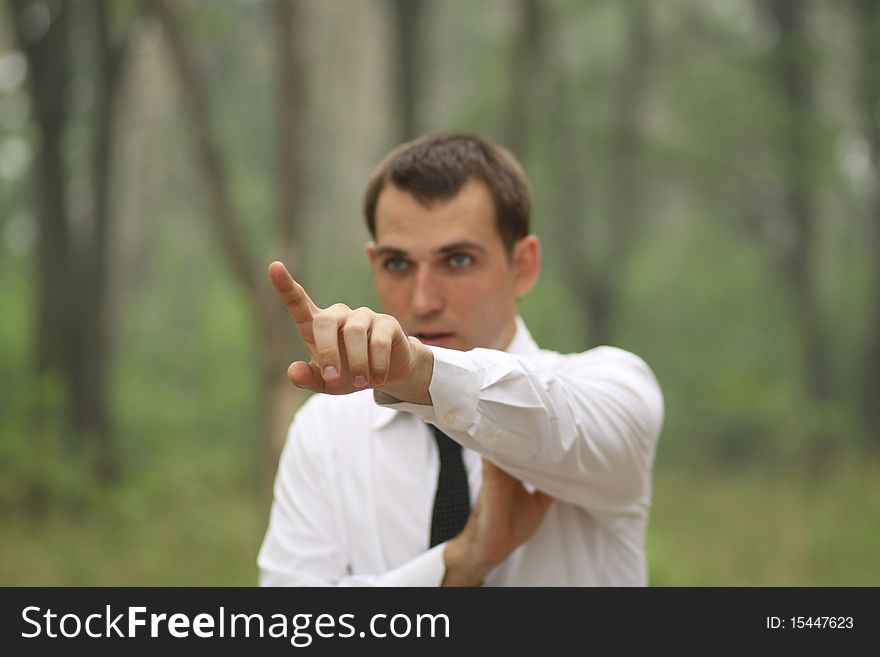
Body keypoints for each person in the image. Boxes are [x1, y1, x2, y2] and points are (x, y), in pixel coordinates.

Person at [258, 132, 663, 586]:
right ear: (373, 263)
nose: (424, 299)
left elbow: (561, 423)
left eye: (458, 261)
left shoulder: (612, 387)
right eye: (397, 264)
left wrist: (419, 372)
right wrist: (457, 565)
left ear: (524, 265)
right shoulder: (327, 429)